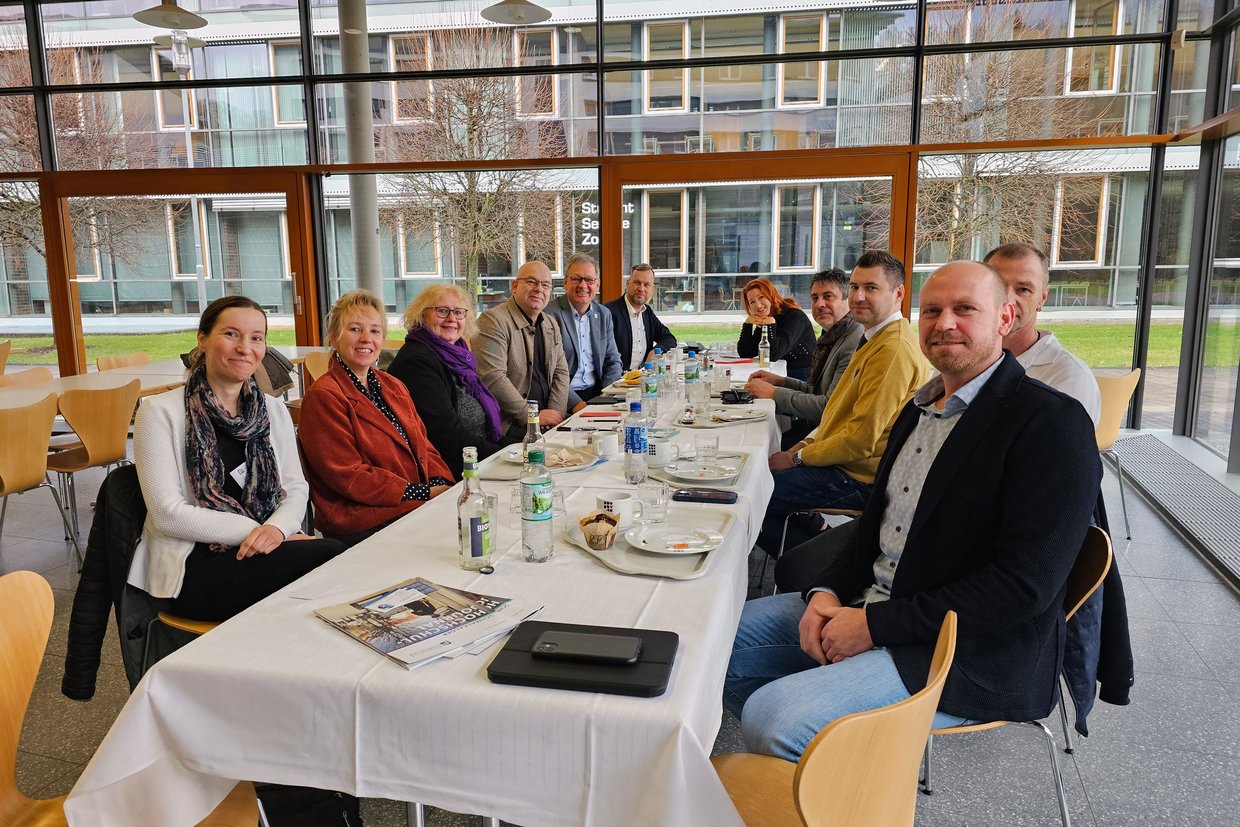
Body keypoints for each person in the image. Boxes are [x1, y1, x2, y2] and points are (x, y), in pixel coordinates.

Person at [724, 260, 1102, 762]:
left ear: (1006, 318)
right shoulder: (921, 409)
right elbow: (873, 530)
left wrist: (876, 627)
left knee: (772, 717)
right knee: (708, 654)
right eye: (932, 310)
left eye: (965, 309)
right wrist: (825, 592)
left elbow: (1022, 588)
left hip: (965, 651)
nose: (945, 322)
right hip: (875, 602)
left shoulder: (1052, 424)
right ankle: (846, 772)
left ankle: (849, 782)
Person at [128, 296, 345, 622]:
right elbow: (167, 515)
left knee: (333, 573)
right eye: (231, 334)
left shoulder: (272, 410)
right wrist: (266, 532)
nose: (245, 348)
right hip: (192, 565)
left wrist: (277, 529)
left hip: (263, 546)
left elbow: (296, 488)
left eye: (256, 338)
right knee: (332, 558)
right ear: (202, 340)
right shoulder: (159, 412)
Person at [758, 251, 931, 555]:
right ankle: (817, 549)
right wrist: (798, 450)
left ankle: (821, 571)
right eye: (854, 287)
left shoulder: (892, 350)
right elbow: (836, 408)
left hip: (859, 477)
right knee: (755, 483)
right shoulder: (874, 337)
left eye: (871, 288)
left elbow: (859, 441)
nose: (858, 296)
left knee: (753, 497)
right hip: (842, 462)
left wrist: (797, 459)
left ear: (899, 293)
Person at [299, 290, 455, 546]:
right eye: (354, 329)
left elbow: (424, 445)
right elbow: (349, 476)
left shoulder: (393, 385)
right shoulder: (324, 397)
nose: (366, 339)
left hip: (409, 503)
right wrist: (423, 493)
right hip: (361, 517)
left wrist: (439, 483)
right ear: (334, 338)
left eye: (374, 331)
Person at [387, 284, 508, 478]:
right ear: (421, 315)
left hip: (477, 456)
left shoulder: (459, 355)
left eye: (459, 312)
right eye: (442, 311)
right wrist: (504, 455)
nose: (452, 319)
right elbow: (447, 437)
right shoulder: (417, 362)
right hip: (451, 470)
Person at [984, 243, 1101, 424]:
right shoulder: (961, 357)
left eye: (1023, 289)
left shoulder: (1067, 377)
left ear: (1042, 298)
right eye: (998, 285)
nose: (1008, 300)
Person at [745, 268, 863, 447]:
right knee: (757, 439)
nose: (819, 304)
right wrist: (780, 381)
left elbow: (827, 407)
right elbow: (815, 390)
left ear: (849, 299)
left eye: (828, 296)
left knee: (758, 447)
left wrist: (773, 393)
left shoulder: (852, 343)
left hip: (830, 439)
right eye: (815, 298)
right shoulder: (833, 335)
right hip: (817, 429)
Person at [474, 260, 572, 438]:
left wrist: (555, 414)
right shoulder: (493, 320)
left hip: (547, 420)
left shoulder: (550, 323)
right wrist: (533, 416)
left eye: (545, 285)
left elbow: (561, 372)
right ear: (515, 286)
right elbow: (492, 377)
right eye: (531, 282)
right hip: (511, 423)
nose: (539, 289)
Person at [545, 252, 624, 406]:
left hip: (599, 392)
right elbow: (549, 372)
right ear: (566, 282)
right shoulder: (549, 315)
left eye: (589, 280)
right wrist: (577, 404)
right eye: (576, 279)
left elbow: (612, 360)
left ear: (597, 284)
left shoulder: (603, 314)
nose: (582, 285)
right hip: (562, 397)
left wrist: (608, 394)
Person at [735, 278, 817, 381]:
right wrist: (748, 324)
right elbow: (746, 353)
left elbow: (772, 355)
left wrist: (770, 324)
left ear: (771, 295)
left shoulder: (794, 316)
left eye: (761, 297)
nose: (758, 305)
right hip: (777, 372)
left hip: (802, 376)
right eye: (752, 302)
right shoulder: (768, 317)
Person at [605, 263, 677, 370]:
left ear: (652, 289)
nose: (641, 288)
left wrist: (655, 351)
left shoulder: (647, 312)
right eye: (637, 283)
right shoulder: (608, 313)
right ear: (628, 284)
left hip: (643, 376)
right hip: (618, 379)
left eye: (646, 284)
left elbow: (669, 338)